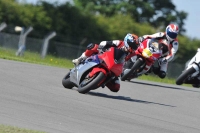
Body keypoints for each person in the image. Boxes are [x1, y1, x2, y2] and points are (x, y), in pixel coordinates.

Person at [72, 33, 139, 92]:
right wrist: (102, 48)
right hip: (104, 56)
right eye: (132, 45)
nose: (132, 48)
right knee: (93, 46)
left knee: (116, 87)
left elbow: (130, 64)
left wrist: (129, 71)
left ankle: (103, 81)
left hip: (114, 67)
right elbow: (104, 43)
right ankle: (80, 59)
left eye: (134, 47)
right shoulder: (119, 43)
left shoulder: (132, 54)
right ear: (127, 41)